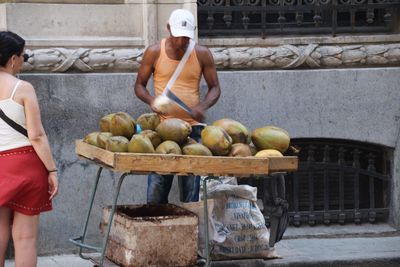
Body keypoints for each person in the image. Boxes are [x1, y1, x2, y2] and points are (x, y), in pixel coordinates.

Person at [134, 9, 221, 204]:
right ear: (168, 29)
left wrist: (203, 106)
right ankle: (156, 225)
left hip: (193, 130)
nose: (181, 42)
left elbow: (215, 88)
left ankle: (189, 229)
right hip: (163, 129)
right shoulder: (154, 52)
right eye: (177, 37)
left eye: (186, 38)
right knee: (156, 189)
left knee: (192, 193)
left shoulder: (202, 54)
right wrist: (151, 101)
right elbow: (139, 86)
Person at [0, 31, 58, 267]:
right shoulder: (23, 88)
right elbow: (36, 135)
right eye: (24, 56)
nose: (24, 61)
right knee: (25, 239)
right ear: (13, 59)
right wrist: (52, 171)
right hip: (26, 165)